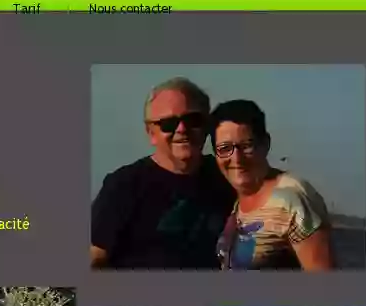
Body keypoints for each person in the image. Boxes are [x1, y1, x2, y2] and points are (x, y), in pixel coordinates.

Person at [91, 77, 236, 269]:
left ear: (208, 126)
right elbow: (93, 257)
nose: (182, 129)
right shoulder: (123, 186)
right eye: (168, 123)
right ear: (151, 133)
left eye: (192, 120)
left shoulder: (230, 176)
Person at [210, 99, 335, 271]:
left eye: (247, 146)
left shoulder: (291, 199)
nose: (236, 158)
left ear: (265, 144)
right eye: (225, 148)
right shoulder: (240, 199)